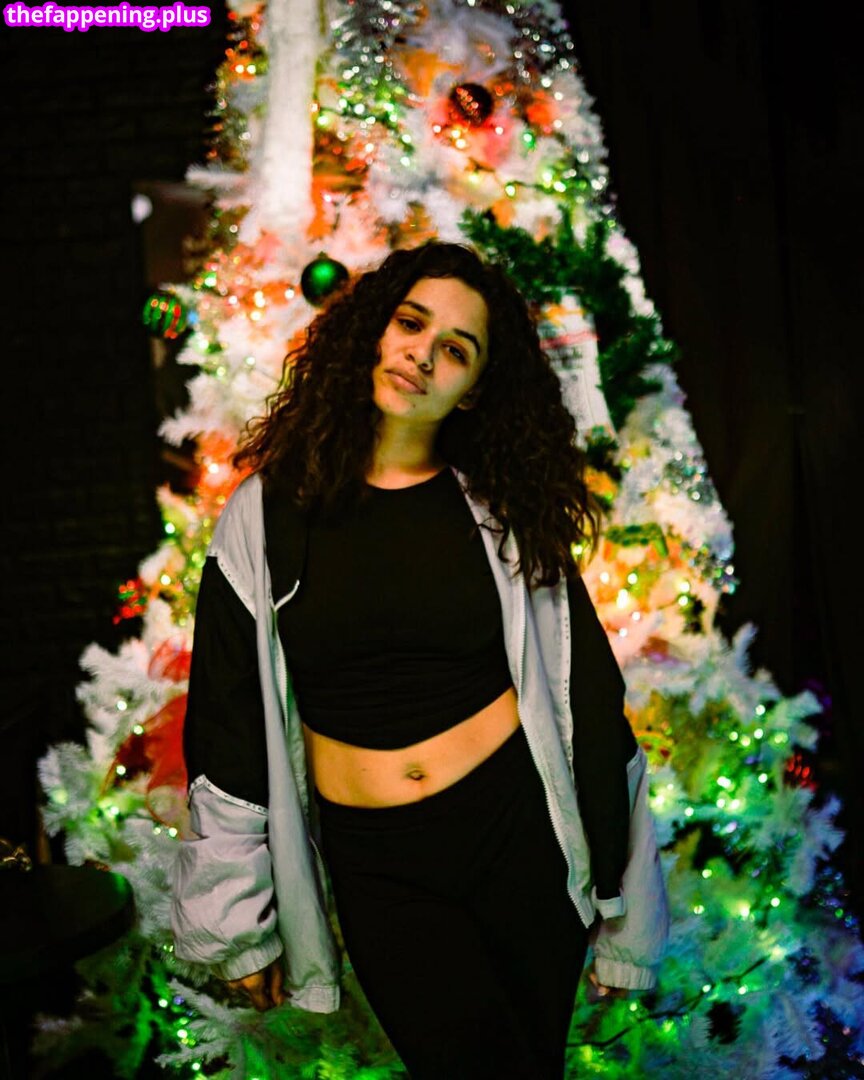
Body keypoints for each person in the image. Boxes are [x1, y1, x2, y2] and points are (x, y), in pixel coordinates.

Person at [171, 241, 669, 1079]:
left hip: (517, 839)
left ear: (472, 388)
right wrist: (233, 921)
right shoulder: (265, 516)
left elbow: (586, 695)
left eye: (456, 350)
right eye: (410, 324)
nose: (422, 355)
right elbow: (227, 724)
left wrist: (628, 915)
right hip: (381, 866)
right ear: (374, 330)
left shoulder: (502, 511)